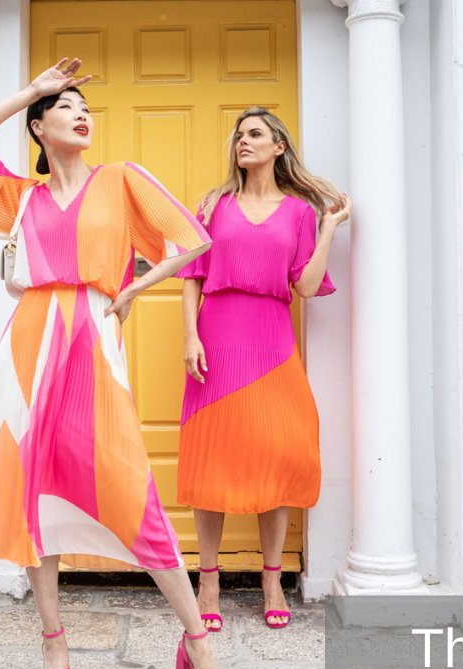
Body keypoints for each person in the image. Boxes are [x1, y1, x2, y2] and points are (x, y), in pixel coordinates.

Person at [0, 58, 232, 669]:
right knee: (34, 496)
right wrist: (33, 89)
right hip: (27, 349)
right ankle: (53, 643)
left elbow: (193, 242)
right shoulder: (20, 195)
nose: (81, 114)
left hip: (94, 344)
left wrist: (134, 285)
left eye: (84, 108)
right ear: (39, 127)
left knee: (133, 491)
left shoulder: (121, 179)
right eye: (65, 107)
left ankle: (197, 640)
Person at [177, 107, 348, 634]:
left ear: (278, 146)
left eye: (255, 134)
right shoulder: (213, 205)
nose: (243, 141)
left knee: (276, 453)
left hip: (272, 340)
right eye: (239, 135)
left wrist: (327, 228)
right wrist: (190, 335)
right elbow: (192, 273)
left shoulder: (297, 213)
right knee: (214, 459)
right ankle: (208, 582)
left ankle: (271, 581)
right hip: (218, 337)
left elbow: (306, 286)